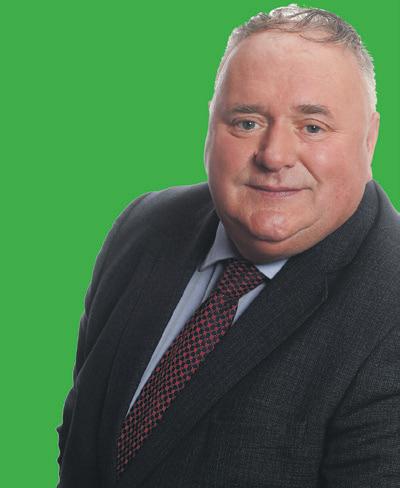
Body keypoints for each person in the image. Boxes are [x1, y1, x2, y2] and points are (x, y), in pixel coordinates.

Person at [57, 5, 400, 487]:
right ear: (210, 125)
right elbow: (81, 439)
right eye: (246, 122)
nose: (274, 156)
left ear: (369, 140)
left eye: (312, 127)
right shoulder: (143, 227)